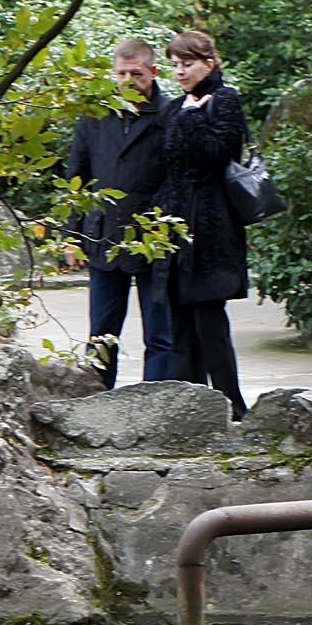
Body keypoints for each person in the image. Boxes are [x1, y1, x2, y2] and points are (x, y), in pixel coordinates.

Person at [65, 38, 177, 384]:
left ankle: (156, 404)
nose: (129, 80)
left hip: (154, 238)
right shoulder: (95, 116)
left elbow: (179, 179)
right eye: (122, 73)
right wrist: (71, 237)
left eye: (136, 73)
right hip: (104, 236)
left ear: (154, 72)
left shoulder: (171, 115)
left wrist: (166, 227)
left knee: (160, 335)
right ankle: (97, 400)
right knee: (101, 335)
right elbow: (77, 178)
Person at [153, 29, 250, 417]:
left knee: (210, 323)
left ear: (209, 64)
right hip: (176, 228)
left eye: (187, 64)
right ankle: (191, 408)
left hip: (211, 227)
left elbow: (217, 153)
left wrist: (194, 118)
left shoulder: (225, 100)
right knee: (180, 325)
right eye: (175, 64)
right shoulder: (176, 107)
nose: (180, 71)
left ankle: (231, 405)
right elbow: (167, 164)